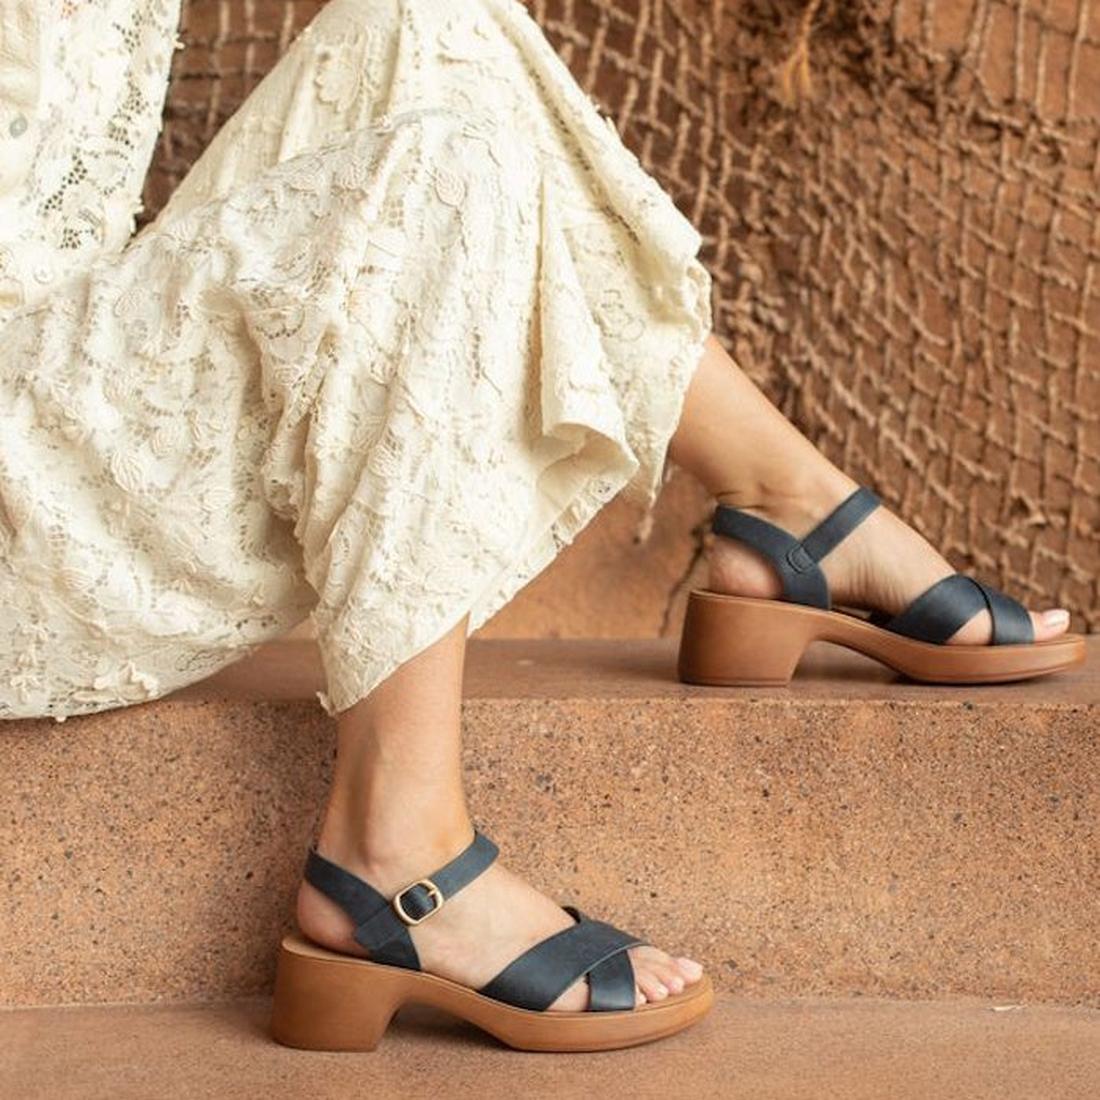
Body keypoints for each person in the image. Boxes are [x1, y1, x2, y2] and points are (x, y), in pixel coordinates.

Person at [0, 0, 1083, 1053]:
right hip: (26, 495)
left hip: (60, 349)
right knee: (437, 174)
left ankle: (783, 502)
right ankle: (395, 843)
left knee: (423, 24)